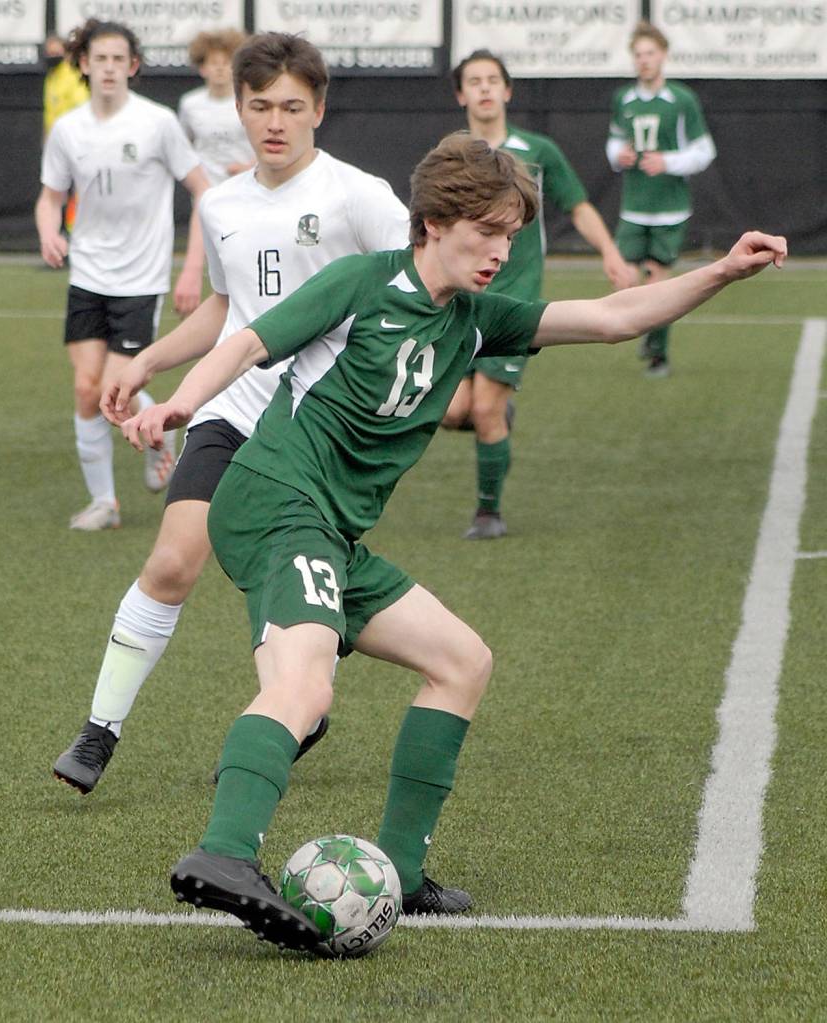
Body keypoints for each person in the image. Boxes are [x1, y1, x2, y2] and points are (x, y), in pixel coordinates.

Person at [119, 131, 785, 949]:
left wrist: (721, 271)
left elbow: (612, 317)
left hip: (331, 531)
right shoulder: (364, 282)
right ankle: (223, 853)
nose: (502, 251)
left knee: (462, 661)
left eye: (512, 235)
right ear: (434, 222)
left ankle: (400, 870)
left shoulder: (473, 321)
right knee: (305, 685)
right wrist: (180, 403)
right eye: (488, 231)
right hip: (277, 501)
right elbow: (249, 341)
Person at [51, 32, 410, 795]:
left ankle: (295, 706)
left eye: (291, 107)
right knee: (172, 560)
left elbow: (417, 284)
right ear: (239, 109)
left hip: (320, 432)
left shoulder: (359, 196)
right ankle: (99, 728)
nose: (275, 122)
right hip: (234, 407)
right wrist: (148, 361)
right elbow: (225, 307)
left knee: (283, 594)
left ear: (319, 109)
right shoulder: (220, 203)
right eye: (260, 106)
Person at [441, 49, 637, 541]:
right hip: (461, 300)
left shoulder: (538, 151)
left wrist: (610, 252)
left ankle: (488, 513)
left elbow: (578, 206)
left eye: (493, 80)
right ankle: (496, 417)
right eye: (474, 81)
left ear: (508, 91)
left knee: (484, 408)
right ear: (461, 95)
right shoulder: (452, 155)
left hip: (515, 302)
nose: (485, 89)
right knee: (450, 410)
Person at [35, 19, 210, 531]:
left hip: (141, 278)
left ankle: (160, 430)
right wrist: (48, 231)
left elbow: (203, 190)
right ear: (83, 64)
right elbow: (50, 197)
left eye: (118, 59)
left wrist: (191, 268)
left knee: (115, 387)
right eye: (100, 58)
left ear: (132, 66)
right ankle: (104, 503)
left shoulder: (158, 123)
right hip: (88, 273)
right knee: (87, 388)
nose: (109, 68)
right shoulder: (68, 129)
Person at [606, 21, 717, 378]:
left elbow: (704, 151)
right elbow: (614, 141)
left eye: (650, 53)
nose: (644, 60)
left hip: (670, 210)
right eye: (638, 54)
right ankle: (645, 327)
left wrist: (667, 162)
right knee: (624, 278)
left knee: (658, 282)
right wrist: (618, 155)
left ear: (663, 55)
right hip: (633, 207)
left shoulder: (681, 100)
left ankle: (658, 353)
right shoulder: (624, 99)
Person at [178, 29, 255, 186]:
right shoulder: (190, 104)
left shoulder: (251, 101)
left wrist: (250, 168)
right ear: (202, 68)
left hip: (246, 184)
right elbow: (183, 148)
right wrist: (198, 182)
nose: (220, 68)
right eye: (214, 63)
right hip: (207, 188)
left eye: (226, 62)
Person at [42, 34, 90, 234]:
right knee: (56, 192)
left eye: (56, 52)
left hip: (75, 145)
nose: (52, 56)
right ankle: (59, 234)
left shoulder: (71, 75)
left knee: (77, 192)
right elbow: (50, 113)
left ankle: (75, 233)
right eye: (49, 52)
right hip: (55, 147)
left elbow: (82, 110)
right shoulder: (51, 77)